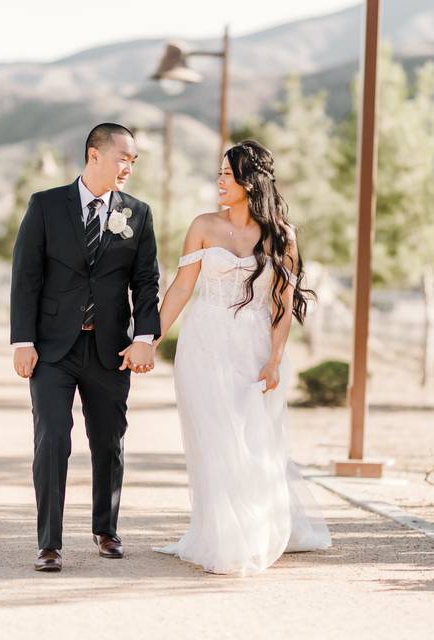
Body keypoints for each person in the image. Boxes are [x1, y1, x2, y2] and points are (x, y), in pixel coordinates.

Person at [153, 140, 331, 575]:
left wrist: (274, 359)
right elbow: (180, 287)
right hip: (203, 343)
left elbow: (282, 306)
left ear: (250, 182)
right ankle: (222, 534)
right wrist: (150, 339)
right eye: (218, 173)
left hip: (255, 349)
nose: (219, 181)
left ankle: (259, 524)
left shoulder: (281, 235)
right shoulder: (202, 226)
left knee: (253, 440)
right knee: (213, 437)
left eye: (227, 175)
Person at [9, 123, 160, 572]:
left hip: (110, 349)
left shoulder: (138, 213)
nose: (128, 167)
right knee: (52, 438)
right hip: (52, 350)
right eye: (122, 158)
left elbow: (146, 281)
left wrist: (144, 338)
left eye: (133, 160)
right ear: (94, 155)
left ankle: (105, 529)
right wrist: (23, 341)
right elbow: (26, 277)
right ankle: (49, 543)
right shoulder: (45, 205)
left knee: (109, 443)